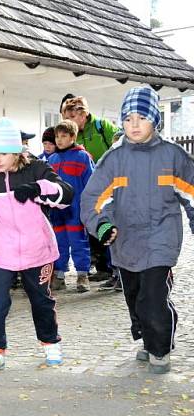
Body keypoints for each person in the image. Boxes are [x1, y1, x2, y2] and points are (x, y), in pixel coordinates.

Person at [81, 86, 194, 374]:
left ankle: (160, 348)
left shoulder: (173, 156)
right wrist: (102, 225)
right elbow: (95, 199)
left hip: (162, 238)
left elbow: (191, 193)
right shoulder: (113, 159)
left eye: (141, 118)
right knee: (134, 295)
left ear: (154, 120)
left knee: (152, 295)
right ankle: (146, 337)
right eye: (128, 118)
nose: (134, 125)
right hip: (126, 241)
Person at [0, 118, 74, 372]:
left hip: (36, 249)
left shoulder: (37, 168)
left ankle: (50, 343)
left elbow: (66, 194)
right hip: (2, 250)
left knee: (40, 300)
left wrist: (37, 189)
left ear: (17, 151)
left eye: (3, 153)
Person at [63, 95, 120, 284]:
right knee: (94, 228)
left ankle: (117, 271)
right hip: (89, 189)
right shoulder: (74, 135)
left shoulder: (102, 127)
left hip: (110, 184)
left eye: (71, 118)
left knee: (111, 225)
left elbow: (120, 143)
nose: (69, 122)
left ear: (82, 114)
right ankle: (104, 268)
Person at [48, 119, 95, 292]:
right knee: (59, 242)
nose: (59, 140)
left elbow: (92, 183)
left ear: (73, 137)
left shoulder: (83, 157)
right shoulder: (51, 159)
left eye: (63, 136)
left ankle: (83, 275)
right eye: (57, 136)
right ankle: (59, 276)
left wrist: (89, 207)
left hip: (76, 210)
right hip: (56, 211)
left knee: (78, 242)